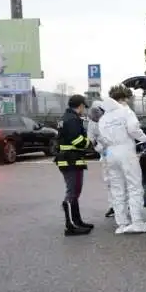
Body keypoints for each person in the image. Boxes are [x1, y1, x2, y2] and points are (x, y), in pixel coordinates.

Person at [98, 85, 146, 234]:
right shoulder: (125, 112)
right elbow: (133, 129)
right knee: (134, 186)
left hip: (110, 153)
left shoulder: (104, 118)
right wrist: (144, 138)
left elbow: (101, 140)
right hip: (125, 151)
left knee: (117, 188)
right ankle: (137, 222)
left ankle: (122, 223)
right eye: (127, 99)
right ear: (122, 99)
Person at [55, 94, 93, 236]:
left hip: (69, 159)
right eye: (83, 107)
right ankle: (70, 226)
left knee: (74, 192)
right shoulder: (72, 119)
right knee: (73, 192)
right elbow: (76, 140)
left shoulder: (67, 118)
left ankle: (77, 221)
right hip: (71, 160)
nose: (84, 110)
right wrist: (90, 143)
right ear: (80, 106)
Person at [86, 101, 114, 218]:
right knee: (109, 181)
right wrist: (99, 148)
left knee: (121, 180)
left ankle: (124, 204)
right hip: (105, 154)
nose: (97, 119)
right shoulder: (92, 123)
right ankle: (113, 205)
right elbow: (91, 139)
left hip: (117, 152)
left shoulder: (111, 119)